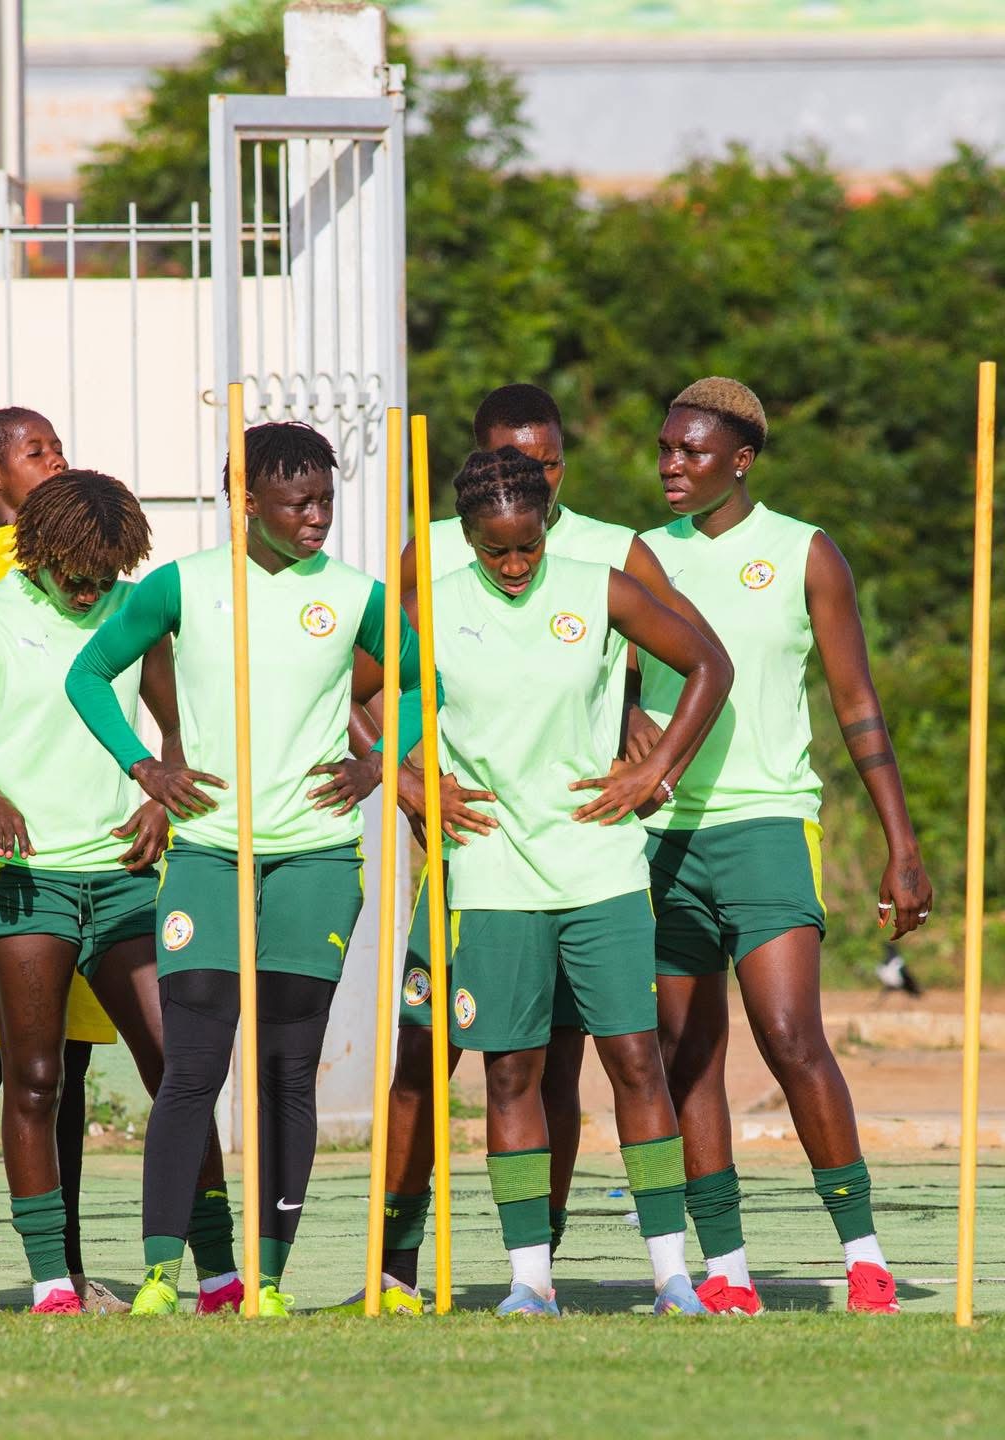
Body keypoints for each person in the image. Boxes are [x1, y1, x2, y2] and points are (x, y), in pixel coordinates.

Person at [343, 384, 718, 1312]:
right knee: (503, 1068)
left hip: (597, 867)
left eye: (528, 545)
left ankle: (673, 1274)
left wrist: (655, 769)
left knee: (634, 1060)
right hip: (489, 874)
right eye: (495, 551)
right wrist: (408, 780)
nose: (514, 564)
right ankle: (527, 1282)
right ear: (468, 538)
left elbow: (709, 662)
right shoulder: (433, 592)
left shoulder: (601, 584)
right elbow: (346, 695)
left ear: (551, 519)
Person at [65, 422, 429, 1317]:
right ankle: (162, 1274)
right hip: (207, 853)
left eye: (326, 500)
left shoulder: (353, 595)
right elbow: (87, 673)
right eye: (297, 503)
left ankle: (266, 1278)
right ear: (248, 504)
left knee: (287, 1067)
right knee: (193, 1065)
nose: (317, 518)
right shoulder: (183, 585)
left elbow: (428, 684)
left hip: (311, 857)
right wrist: (145, 766)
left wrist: (381, 762)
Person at [630, 376, 932, 1315]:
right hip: (663, 836)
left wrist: (901, 842)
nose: (671, 466)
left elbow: (857, 705)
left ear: (742, 460)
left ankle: (863, 1252)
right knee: (688, 1052)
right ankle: (725, 1268)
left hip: (766, 821)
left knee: (793, 1035)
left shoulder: (805, 552)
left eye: (693, 452)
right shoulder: (638, 557)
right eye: (667, 449)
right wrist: (618, 745)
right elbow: (603, 682)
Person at [0, 472, 231, 1315]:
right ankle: (54, 1283)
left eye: (105, 572)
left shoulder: (133, 614)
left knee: (181, 1068)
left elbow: (174, 729)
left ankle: (223, 1275)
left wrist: (161, 793)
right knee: (37, 1077)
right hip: (23, 885)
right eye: (76, 573)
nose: (90, 588)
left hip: (124, 878)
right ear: (40, 551)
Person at [0, 408, 123, 1316]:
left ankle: (66, 1270)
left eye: (58, 444)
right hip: (2, 839)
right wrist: (3, 791)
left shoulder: (104, 569)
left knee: (66, 1062)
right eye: (36, 451)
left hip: (99, 846)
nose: (57, 458)